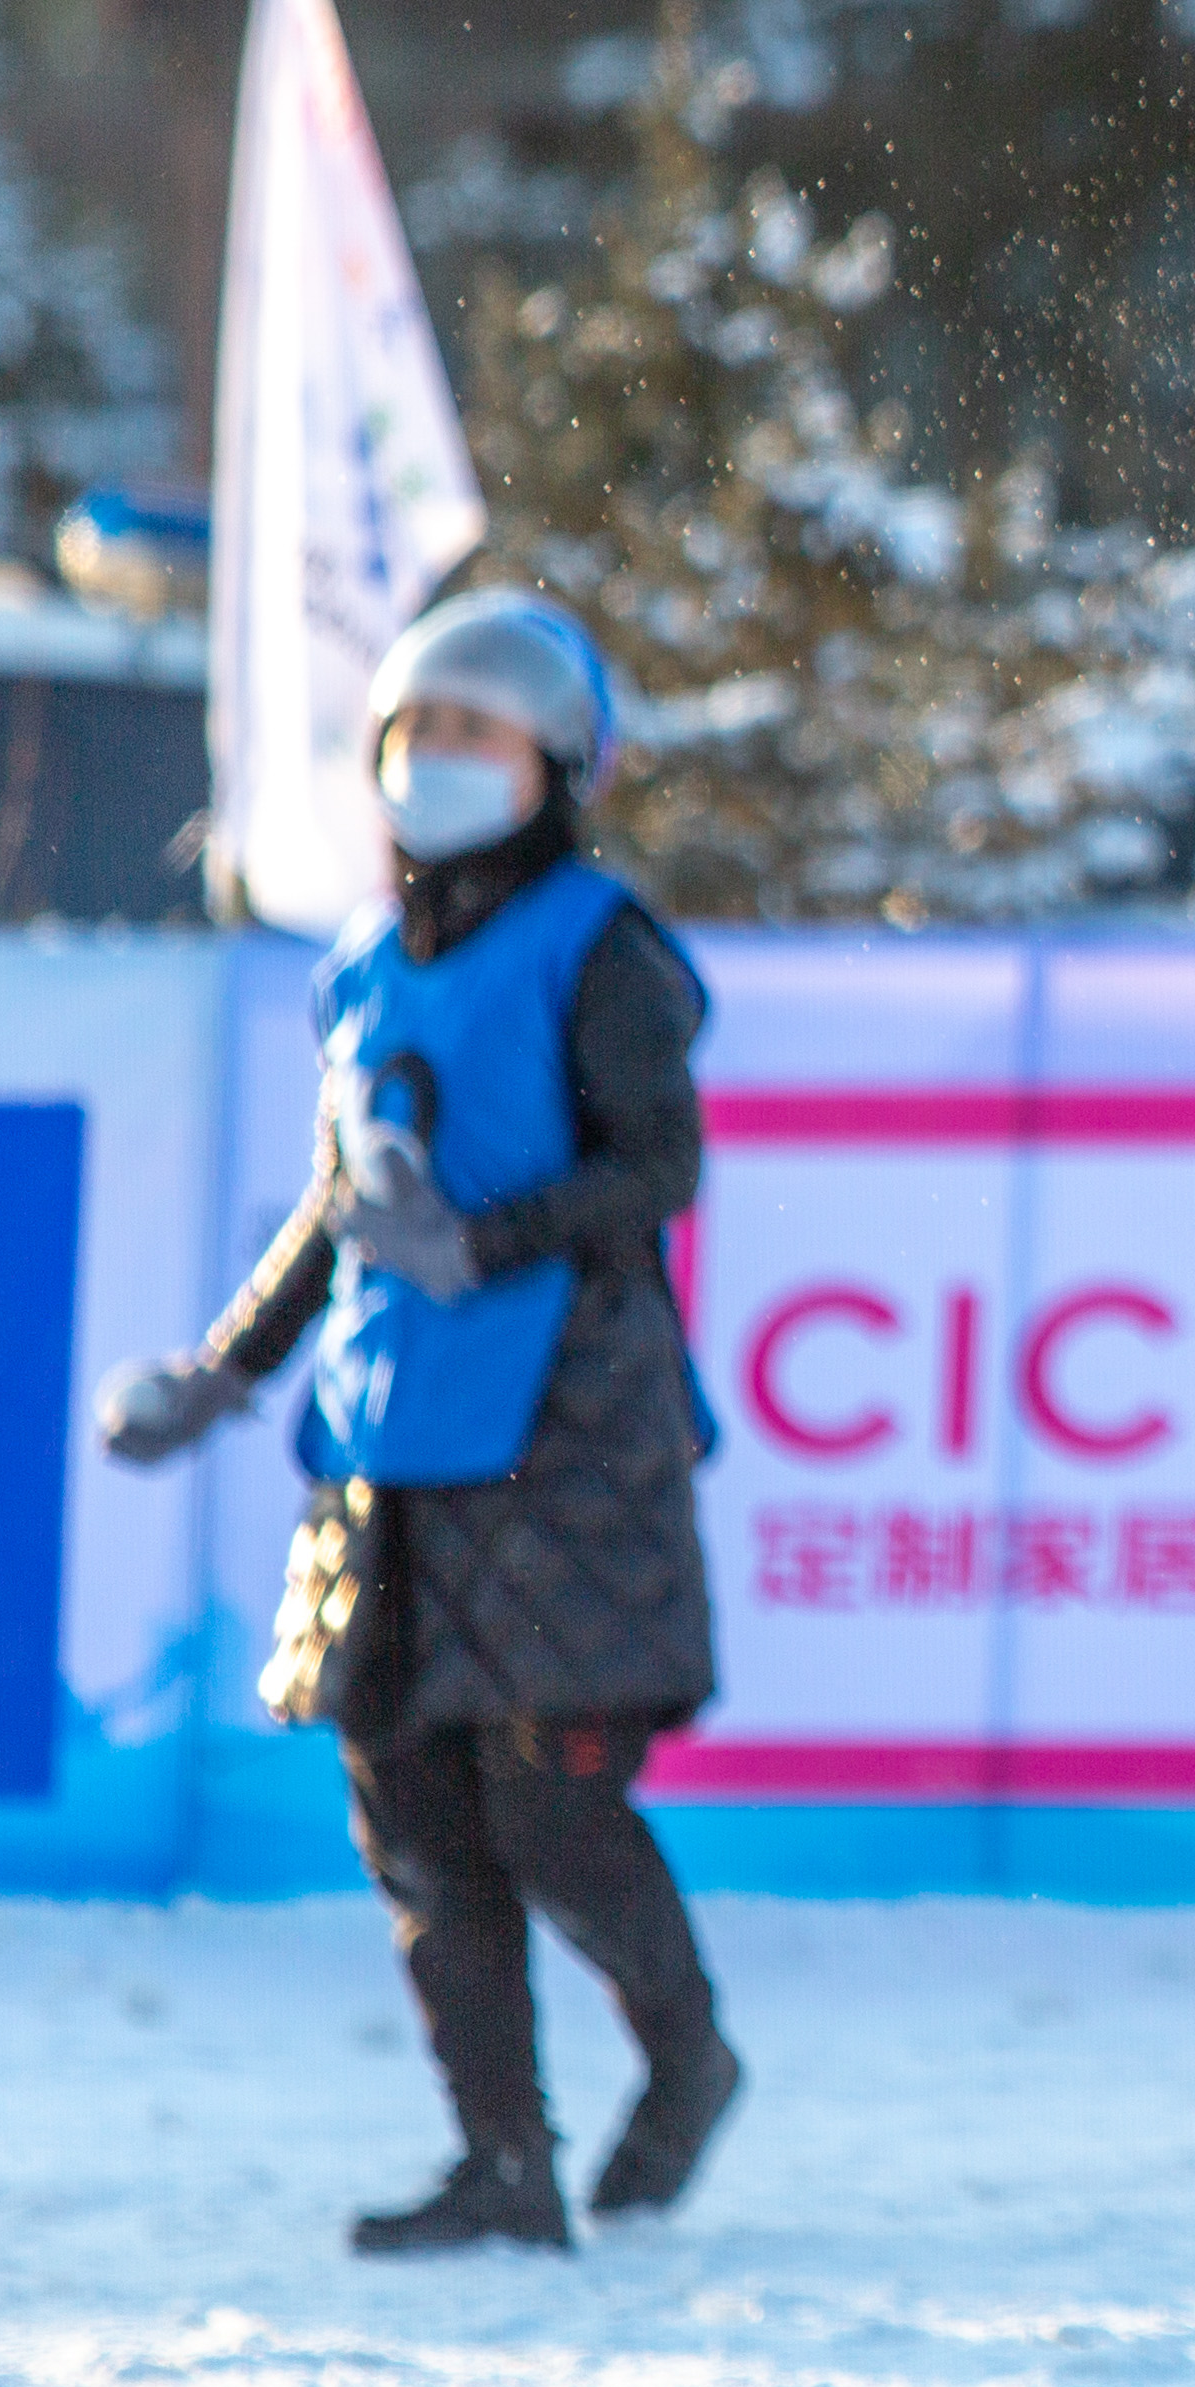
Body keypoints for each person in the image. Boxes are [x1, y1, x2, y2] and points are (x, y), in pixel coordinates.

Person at [95, 591, 741, 2257]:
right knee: (416, 1818)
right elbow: (336, 1203)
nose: (441, 760)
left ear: (556, 761)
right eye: (418, 731)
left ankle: (687, 2058)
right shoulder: (362, 967)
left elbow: (656, 1164)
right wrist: (227, 1370)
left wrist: (486, 1239)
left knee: (552, 1809)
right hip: (383, 1444)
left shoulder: (605, 946)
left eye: (480, 731)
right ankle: (501, 2159)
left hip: (564, 1432)